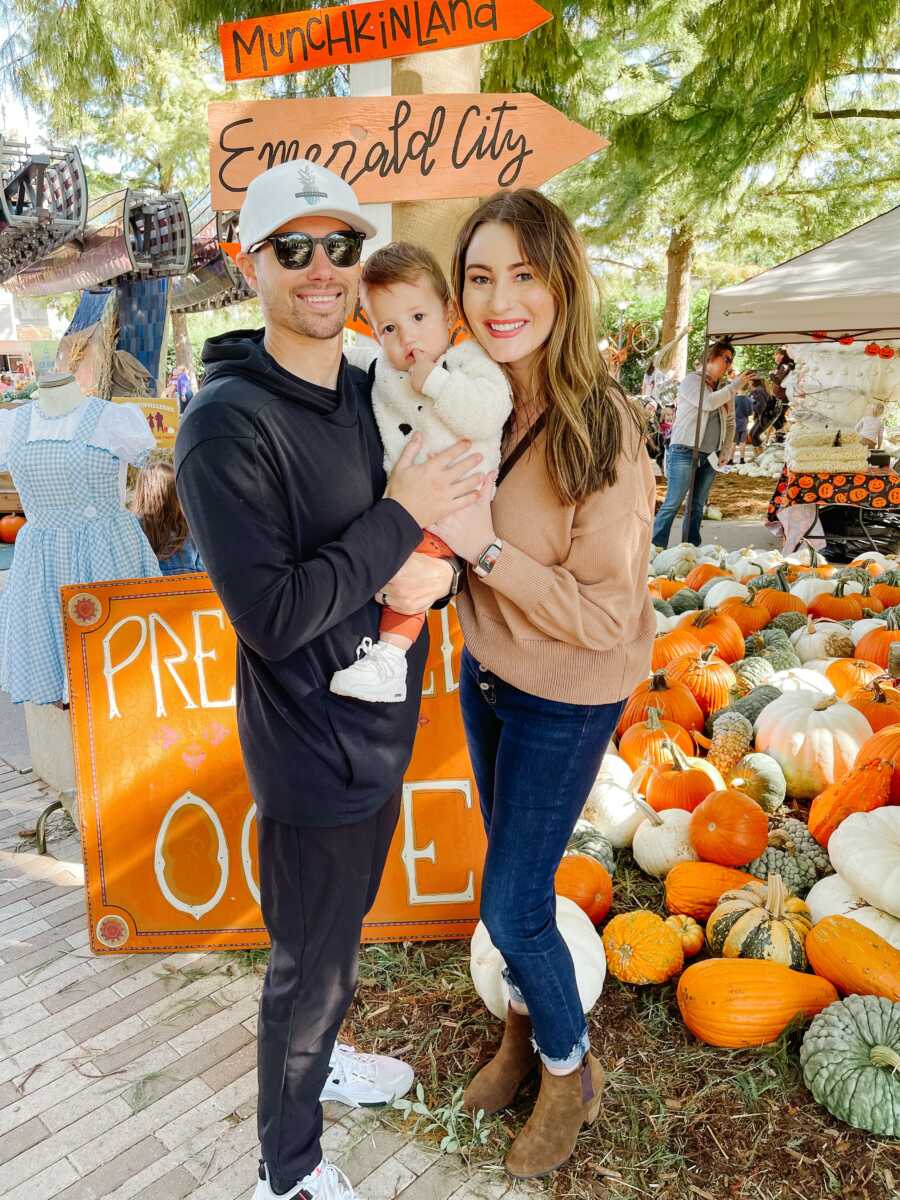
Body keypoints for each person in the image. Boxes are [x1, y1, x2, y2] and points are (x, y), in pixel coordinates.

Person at [175, 160, 485, 1200]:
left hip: (378, 724)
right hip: (308, 744)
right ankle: (288, 1170)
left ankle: (325, 1061)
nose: (321, 270)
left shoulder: (365, 385)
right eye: (293, 248)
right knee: (304, 968)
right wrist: (399, 526)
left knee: (337, 940)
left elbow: (425, 515)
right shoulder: (225, 425)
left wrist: (428, 572)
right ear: (250, 262)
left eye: (340, 246)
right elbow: (270, 617)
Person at [431, 188, 655, 1180]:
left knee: (513, 901)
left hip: (568, 690)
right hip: (490, 675)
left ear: (562, 284)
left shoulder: (601, 426)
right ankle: (522, 1037)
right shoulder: (477, 401)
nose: (500, 296)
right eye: (480, 276)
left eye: (523, 273)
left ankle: (569, 1070)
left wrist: (481, 552)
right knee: (512, 882)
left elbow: (608, 613)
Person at [331, 242, 510, 703]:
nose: (407, 339)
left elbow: (487, 414)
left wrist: (436, 382)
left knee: (414, 568)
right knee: (391, 560)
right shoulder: (380, 368)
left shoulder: (470, 364)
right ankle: (386, 655)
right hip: (409, 504)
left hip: (457, 502)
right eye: (388, 327)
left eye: (418, 319)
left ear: (448, 311)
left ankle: (391, 660)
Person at [651, 342, 755, 546]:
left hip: (711, 455)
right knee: (673, 502)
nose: (728, 364)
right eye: (726, 358)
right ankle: (655, 547)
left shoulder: (724, 390)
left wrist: (726, 449)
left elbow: (731, 422)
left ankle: (690, 547)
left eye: (731, 360)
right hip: (684, 450)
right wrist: (733, 387)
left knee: (697, 505)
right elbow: (708, 403)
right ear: (711, 357)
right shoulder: (692, 380)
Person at [131, 460, 204, 574]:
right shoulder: (193, 527)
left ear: (143, 492)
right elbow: (205, 573)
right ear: (176, 492)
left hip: (147, 590)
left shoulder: (131, 528)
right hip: (190, 590)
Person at [769, 347, 795, 441]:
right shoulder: (783, 366)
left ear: (781, 355)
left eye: (776, 355)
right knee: (778, 417)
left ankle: (781, 437)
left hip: (782, 397)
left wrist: (771, 374)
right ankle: (780, 436)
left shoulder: (785, 366)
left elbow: (779, 381)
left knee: (776, 417)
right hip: (780, 396)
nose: (775, 358)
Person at [733, 387, 752, 462]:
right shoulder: (749, 399)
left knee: (733, 442)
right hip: (744, 423)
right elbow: (750, 413)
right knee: (743, 442)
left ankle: (731, 459)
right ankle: (742, 459)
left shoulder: (734, 399)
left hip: (735, 423)